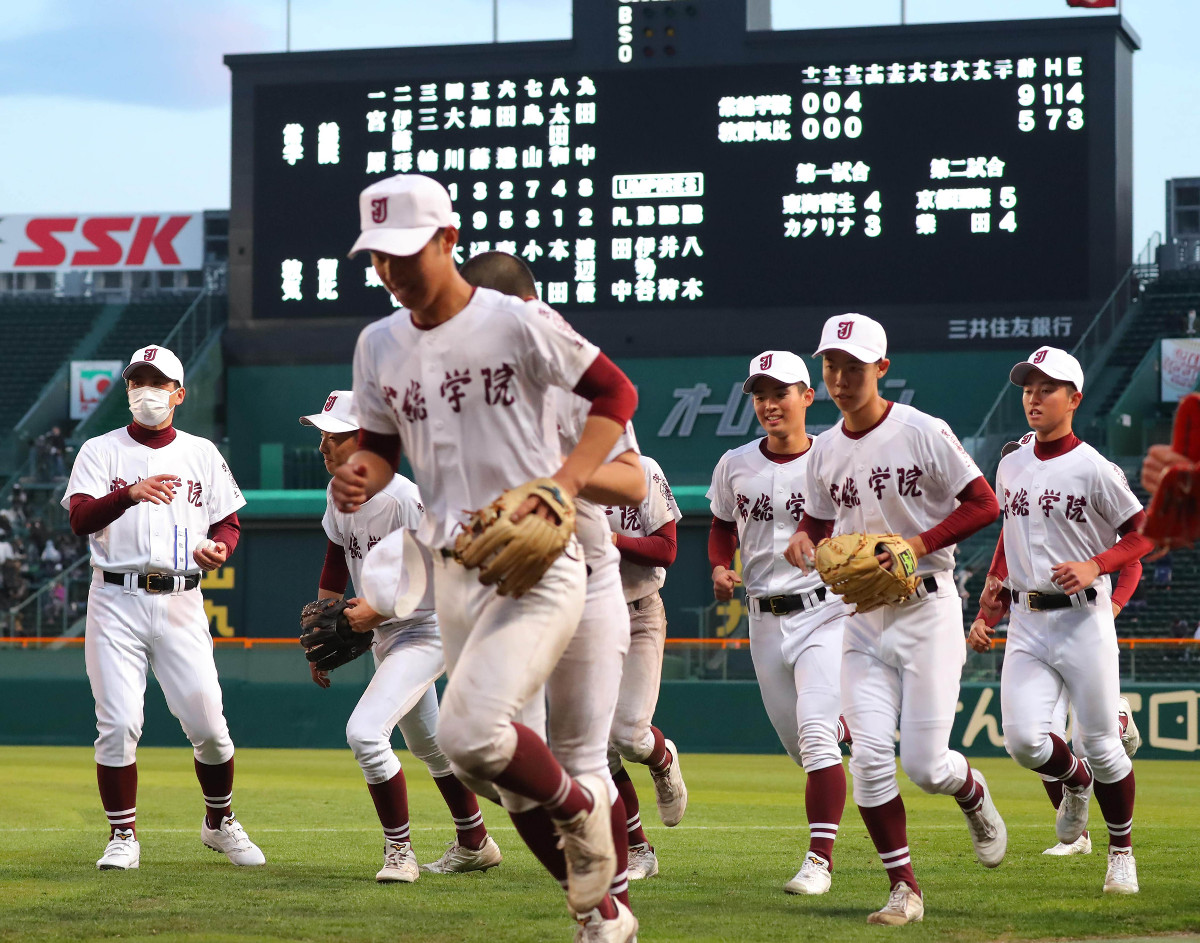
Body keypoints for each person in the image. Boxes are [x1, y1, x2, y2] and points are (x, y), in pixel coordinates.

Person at [332, 175, 640, 941]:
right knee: (477, 766)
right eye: (378, 259)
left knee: (469, 732)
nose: (392, 272)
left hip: (538, 561)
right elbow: (378, 441)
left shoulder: (516, 322)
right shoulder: (378, 343)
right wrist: (362, 470)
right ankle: (602, 913)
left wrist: (564, 483)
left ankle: (581, 807)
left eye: (405, 253)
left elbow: (616, 393)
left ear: (447, 239)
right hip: (456, 567)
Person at [458, 248, 657, 929]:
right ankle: (602, 905)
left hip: (590, 579)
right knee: (510, 779)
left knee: (583, 759)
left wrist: (557, 471)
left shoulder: (569, 368)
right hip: (506, 584)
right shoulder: (464, 379)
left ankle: (607, 915)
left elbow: (632, 481)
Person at [785, 313, 1005, 925]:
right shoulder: (824, 448)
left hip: (928, 607)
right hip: (858, 617)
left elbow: (984, 502)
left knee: (926, 766)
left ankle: (970, 789)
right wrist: (804, 538)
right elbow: (819, 518)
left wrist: (919, 541)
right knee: (870, 760)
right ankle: (904, 889)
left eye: (852, 367)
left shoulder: (923, 430)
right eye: (830, 365)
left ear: (882, 368)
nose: (838, 378)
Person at [61, 344, 264, 871]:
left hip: (180, 599)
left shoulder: (201, 452)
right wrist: (129, 494)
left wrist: (221, 549)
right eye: (136, 381)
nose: (144, 391)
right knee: (119, 723)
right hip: (114, 599)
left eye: (156, 382)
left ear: (179, 392)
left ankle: (219, 822)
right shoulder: (99, 450)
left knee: (211, 729)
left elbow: (227, 522)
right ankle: (122, 835)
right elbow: (80, 519)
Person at [969, 346, 1152, 894]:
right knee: (1024, 741)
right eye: (1028, 387)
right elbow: (1010, 538)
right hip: (1027, 619)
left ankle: (1121, 853)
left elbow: (1145, 534)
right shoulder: (1011, 462)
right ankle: (1075, 784)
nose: (1034, 396)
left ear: (1074, 398)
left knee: (1102, 745)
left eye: (1047, 388)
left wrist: (1097, 565)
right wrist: (990, 608)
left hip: (1083, 621)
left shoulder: (1094, 467)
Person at [301, 390, 501, 882]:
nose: (324, 446)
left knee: (366, 735)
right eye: (322, 436)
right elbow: (335, 558)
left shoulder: (405, 497)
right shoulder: (338, 492)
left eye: (335, 436)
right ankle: (475, 841)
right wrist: (320, 635)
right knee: (431, 746)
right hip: (386, 634)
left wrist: (383, 606)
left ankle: (400, 853)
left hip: (430, 628)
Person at [707, 350, 853, 897]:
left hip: (826, 609)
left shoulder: (832, 460)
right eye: (760, 395)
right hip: (763, 617)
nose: (769, 404)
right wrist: (721, 566)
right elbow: (720, 526)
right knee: (803, 750)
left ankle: (819, 861)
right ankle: (848, 728)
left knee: (815, 741)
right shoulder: (735, 463)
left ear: (806, 397)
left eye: (781, 393)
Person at [606, 451, 688, 882]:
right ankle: (639, 850)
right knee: (596, 751)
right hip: (586, 621)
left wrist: (613, 540)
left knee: (628, 736)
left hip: (638, 612)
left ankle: (661, 758)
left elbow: (667, 550)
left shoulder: (641, 468)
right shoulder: (555, 476)